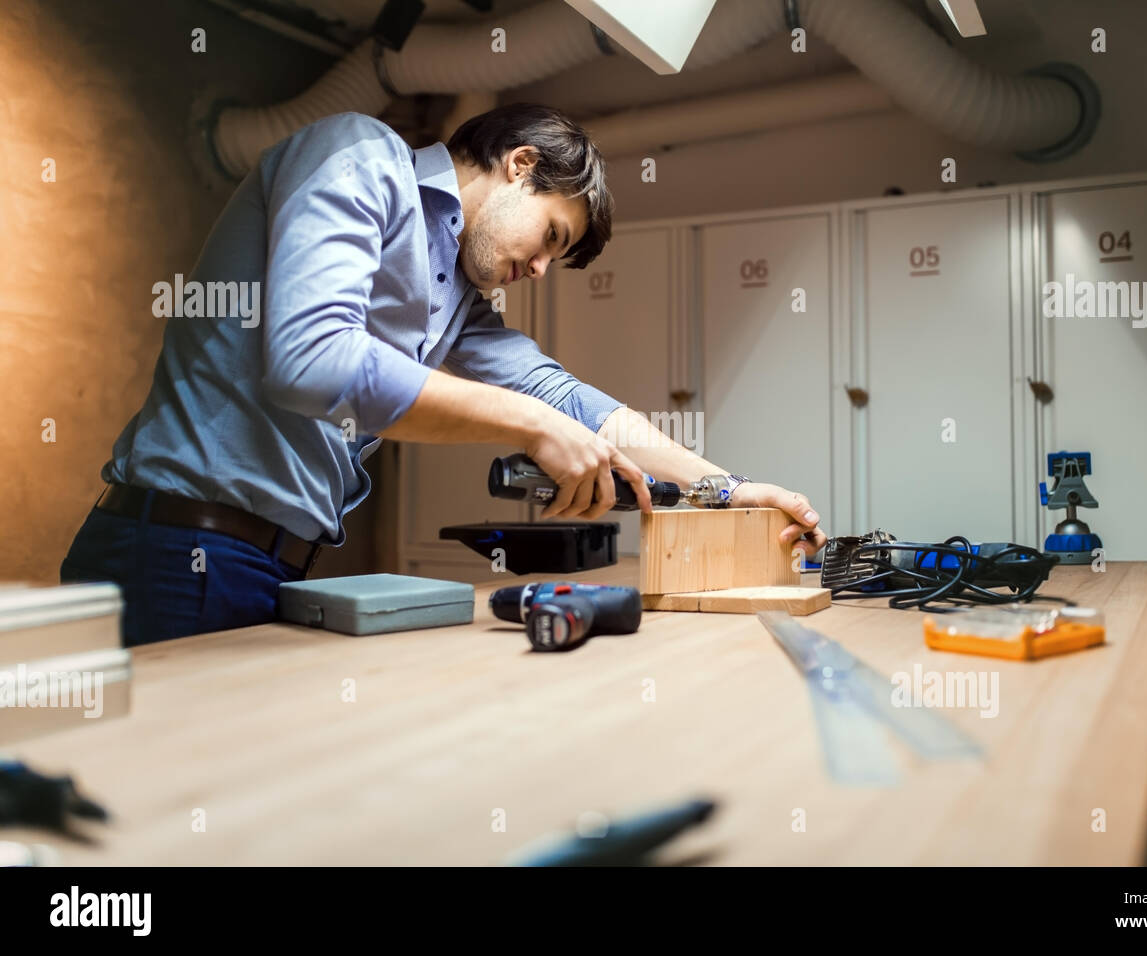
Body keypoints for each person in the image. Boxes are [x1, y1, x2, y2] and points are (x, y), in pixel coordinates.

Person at [60, 104, 827, 646]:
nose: (537, 267)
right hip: (175, 551)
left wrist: (726, 488)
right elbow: (312, 360)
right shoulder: (357, 155)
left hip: (271, 565)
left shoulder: (458, 296)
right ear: (520, 165)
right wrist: (531, 426)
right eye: (550, 236)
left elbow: (563, 396)